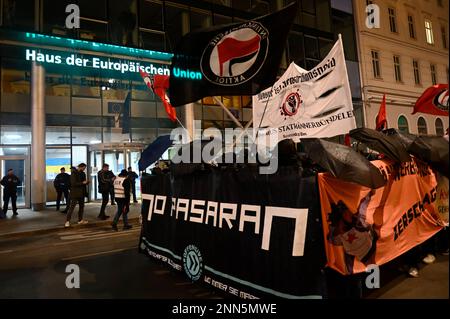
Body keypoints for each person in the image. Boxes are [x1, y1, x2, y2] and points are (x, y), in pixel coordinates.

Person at [65, 163, 89, 227]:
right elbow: (73, 183)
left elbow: (83, 182)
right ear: (81, 167)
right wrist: (82, 183)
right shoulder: (74, 173)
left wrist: (86, 182)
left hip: (82, 193)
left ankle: (80, 220)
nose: (84, 169)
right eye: (84, 168)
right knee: (72, 207)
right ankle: (67, 221)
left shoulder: (83, 173)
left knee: (81, 207)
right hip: (75, 193)